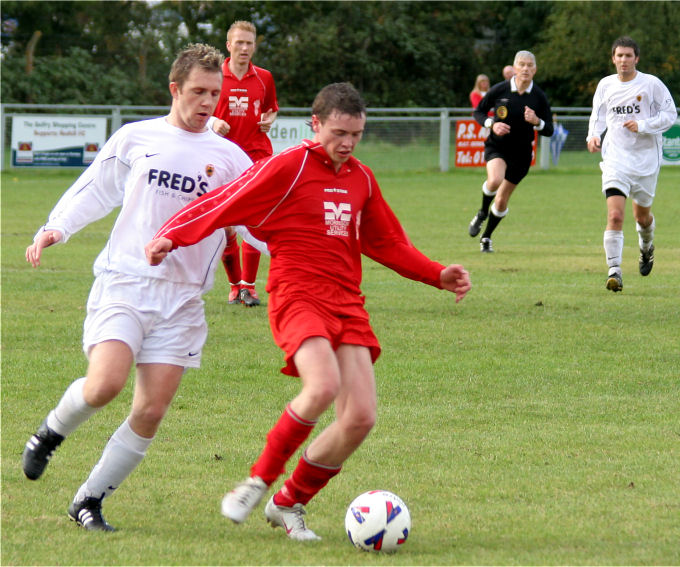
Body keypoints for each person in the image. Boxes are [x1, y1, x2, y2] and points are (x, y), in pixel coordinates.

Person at [145, 82, 472, 541]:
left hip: (347, 303)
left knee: (359, 418)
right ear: (314, 124)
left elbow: (386, 242)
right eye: (339, 132)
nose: (347, 143)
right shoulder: (287, 166)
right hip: (297, 294)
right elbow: (225, 202)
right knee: (321, 386)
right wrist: (172, 235)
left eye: (356, 134)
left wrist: (437, 274)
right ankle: (257, 481)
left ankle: (288, 502)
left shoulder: (361, 178)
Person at [20, 43, 253, 531]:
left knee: (150, 411)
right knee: (104, 385)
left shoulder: (231, 158)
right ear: (175, 89)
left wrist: (313, 247)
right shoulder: (135, 138)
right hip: (126, 281)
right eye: (198, 92)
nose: (208, 102)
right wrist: (55, 227)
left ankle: (88, 500)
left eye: (216, 93)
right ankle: (49, 433)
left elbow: (258, 221)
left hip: (184, 298)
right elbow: (96, 188)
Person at [586, 36, 677, 292]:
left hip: (646, 161)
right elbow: (598, 115)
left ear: (636, 58)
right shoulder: (605, 85)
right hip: (615, 159)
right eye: (619, 56)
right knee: (615, 215)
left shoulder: (651, 84)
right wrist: (593, 135)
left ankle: (646, 247)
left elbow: (671, 115)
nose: (623, 60)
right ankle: (614, 271)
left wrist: (644, 126)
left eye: (628, 56)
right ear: (613, 58)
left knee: (642, 217)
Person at [208, 21, 279, 306]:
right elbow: (197, 110)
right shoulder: (214, 77)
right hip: (222, 157)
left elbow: (272, 108)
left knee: (255, 220)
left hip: (256, 157)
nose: (245, 48)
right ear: (228, 45)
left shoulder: (264, 77)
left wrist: (268, 121)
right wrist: (214, 122)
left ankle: (248, 287)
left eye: (249, 43)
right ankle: (235, 286)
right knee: (226, 225)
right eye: (239, 43)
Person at [468, 50, 554, 252]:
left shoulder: (539, 97)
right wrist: (491, 124)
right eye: (521, 64)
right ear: (515, 68)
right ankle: (481, 212)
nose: (525, 69)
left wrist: (537, 121)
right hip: (497, 146)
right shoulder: (500, 90)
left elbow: (549, 129)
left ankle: (487, 237)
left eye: (529, 65)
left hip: (522, 154)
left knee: (502, 200)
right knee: (495, 180)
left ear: (535, 69)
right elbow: (478, 111)